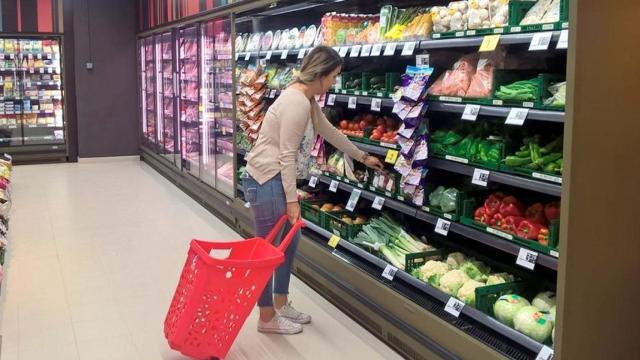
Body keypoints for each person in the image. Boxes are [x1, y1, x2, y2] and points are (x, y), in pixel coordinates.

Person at [242, 46, 384, 335]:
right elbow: (286, 154)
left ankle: (281, 303)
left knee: (288, 246)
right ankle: (266, 317)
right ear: (319, 75)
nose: (334, 82)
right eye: (333, 76)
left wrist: (362, 157)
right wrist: (292, 201)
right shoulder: (295, 102)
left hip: (275, 181)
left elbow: (330, 132)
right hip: (267, 181)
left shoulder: (307, 99)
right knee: (267, 253)